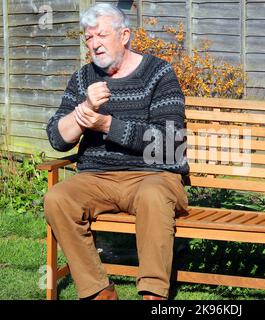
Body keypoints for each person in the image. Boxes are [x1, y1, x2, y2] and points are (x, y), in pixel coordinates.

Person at [44, 3, 189, 300]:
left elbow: (170, 144)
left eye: (101, 35)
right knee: (57, 198)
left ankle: (153, 293)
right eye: (88, 38)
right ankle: (98, 290)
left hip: (154, 177)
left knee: (152, 196)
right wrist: (84, 110)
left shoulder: (159, 73)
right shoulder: (83, 79)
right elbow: (57, 138)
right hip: (97, 178)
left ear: (124, 35)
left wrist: (107, 124)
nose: (94, 44)